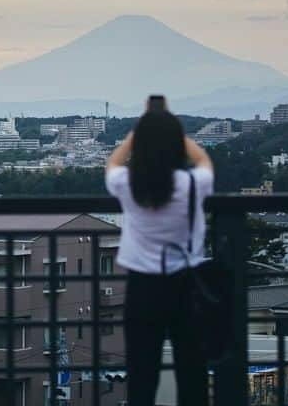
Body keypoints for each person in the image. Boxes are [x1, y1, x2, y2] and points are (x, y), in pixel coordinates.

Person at [105, 107, 215, 406]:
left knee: (142, 374)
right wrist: (183, 139)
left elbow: (112, 163)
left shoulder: (129, 184)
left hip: (142, 288)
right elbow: (204, 162)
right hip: (185, 285)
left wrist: (131, 139)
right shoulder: (192, 184)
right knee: (192, 371)